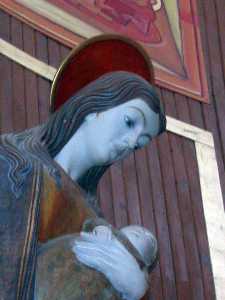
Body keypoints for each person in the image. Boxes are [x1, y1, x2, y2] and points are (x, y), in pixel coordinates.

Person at [0, 35, 166, 300]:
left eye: (140, 143)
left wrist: (135, 289)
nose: (131, 142)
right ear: (96, 105)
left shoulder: (95, 219)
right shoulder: (13, 163)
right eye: (129, 121)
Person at [35, 219, 158, 300]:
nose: (143, 233)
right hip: (42, 270)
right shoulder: (102, 233)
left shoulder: (133, 283)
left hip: (40, 269)